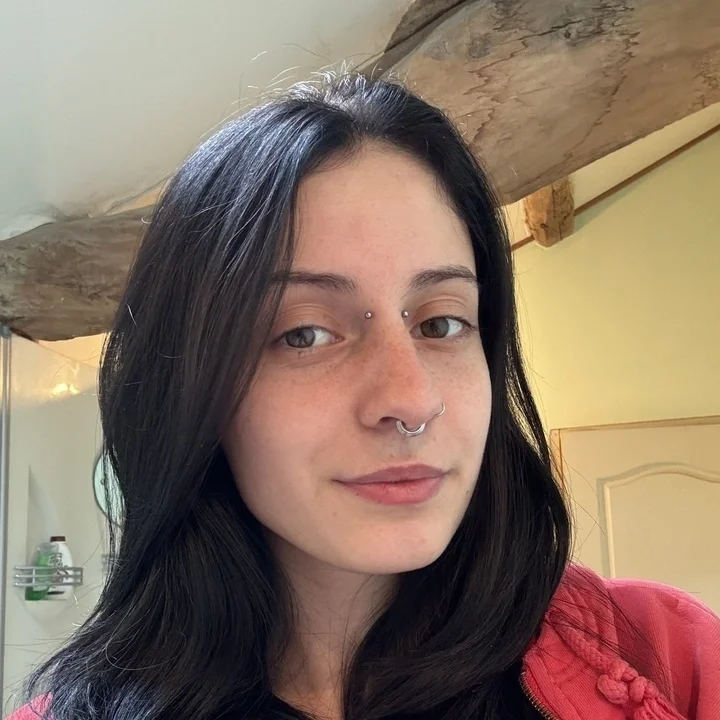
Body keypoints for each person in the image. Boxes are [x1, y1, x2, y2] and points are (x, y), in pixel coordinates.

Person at [8, 73, 719, 720]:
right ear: (195, 388)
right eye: (305, 334)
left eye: (441, 323)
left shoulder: (668, 656)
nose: (411, 400)